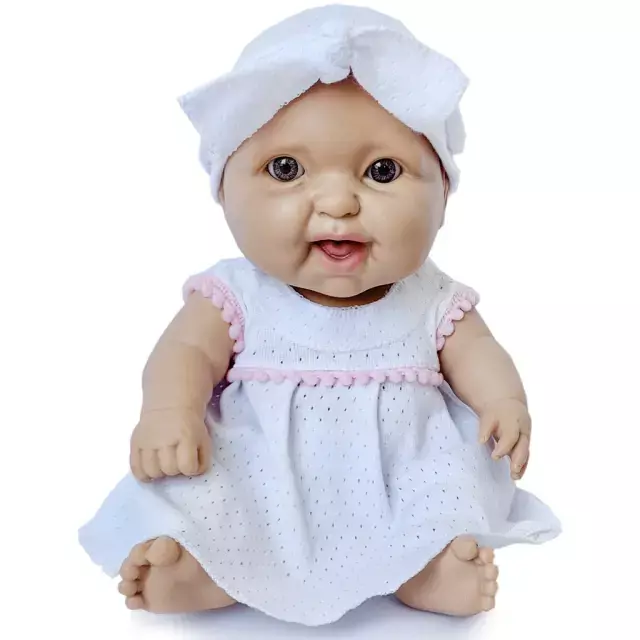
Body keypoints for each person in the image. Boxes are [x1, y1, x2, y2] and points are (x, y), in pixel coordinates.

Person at [79, 4, 561, 626]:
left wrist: (505, 402)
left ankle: (429, 568)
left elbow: (478, 352)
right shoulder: (235, 294)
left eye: (382, 171)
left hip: (401, 471)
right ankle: (204, 569)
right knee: (211, 489)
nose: (337, 202)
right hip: (264, 474)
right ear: (224, 190)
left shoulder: (432, 298)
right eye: (287, 169)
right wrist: (169, 412)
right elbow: (186, 353)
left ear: (443, 194)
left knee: (446, 487)